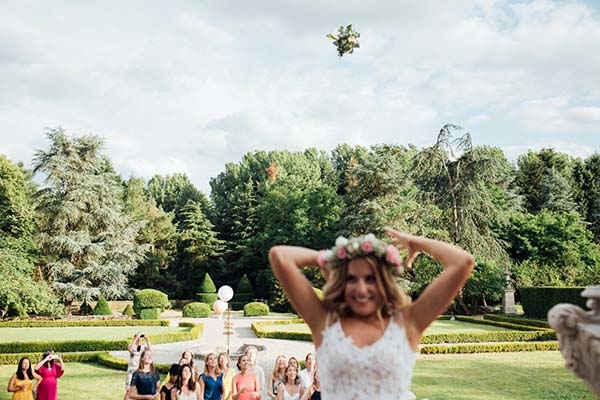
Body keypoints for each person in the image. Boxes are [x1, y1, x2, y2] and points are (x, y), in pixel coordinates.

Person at [269, 227, 474, 400]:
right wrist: (332, 259)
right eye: (351, 279)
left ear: (384, 282)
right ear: (341, 283)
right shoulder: (324, 322)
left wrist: (414, 242)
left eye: (370, 279)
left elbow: (462, 262)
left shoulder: (408, 323)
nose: (361, 289)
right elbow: (280, 256)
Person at [124, 332, 151, 400]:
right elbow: (130, 349)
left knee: (140, 391)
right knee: (128, 390)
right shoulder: (132, 345)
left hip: (140, 371)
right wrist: (136, 338)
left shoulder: (143, 347)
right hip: (132, 371)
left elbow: (149, 350)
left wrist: (147, 339)